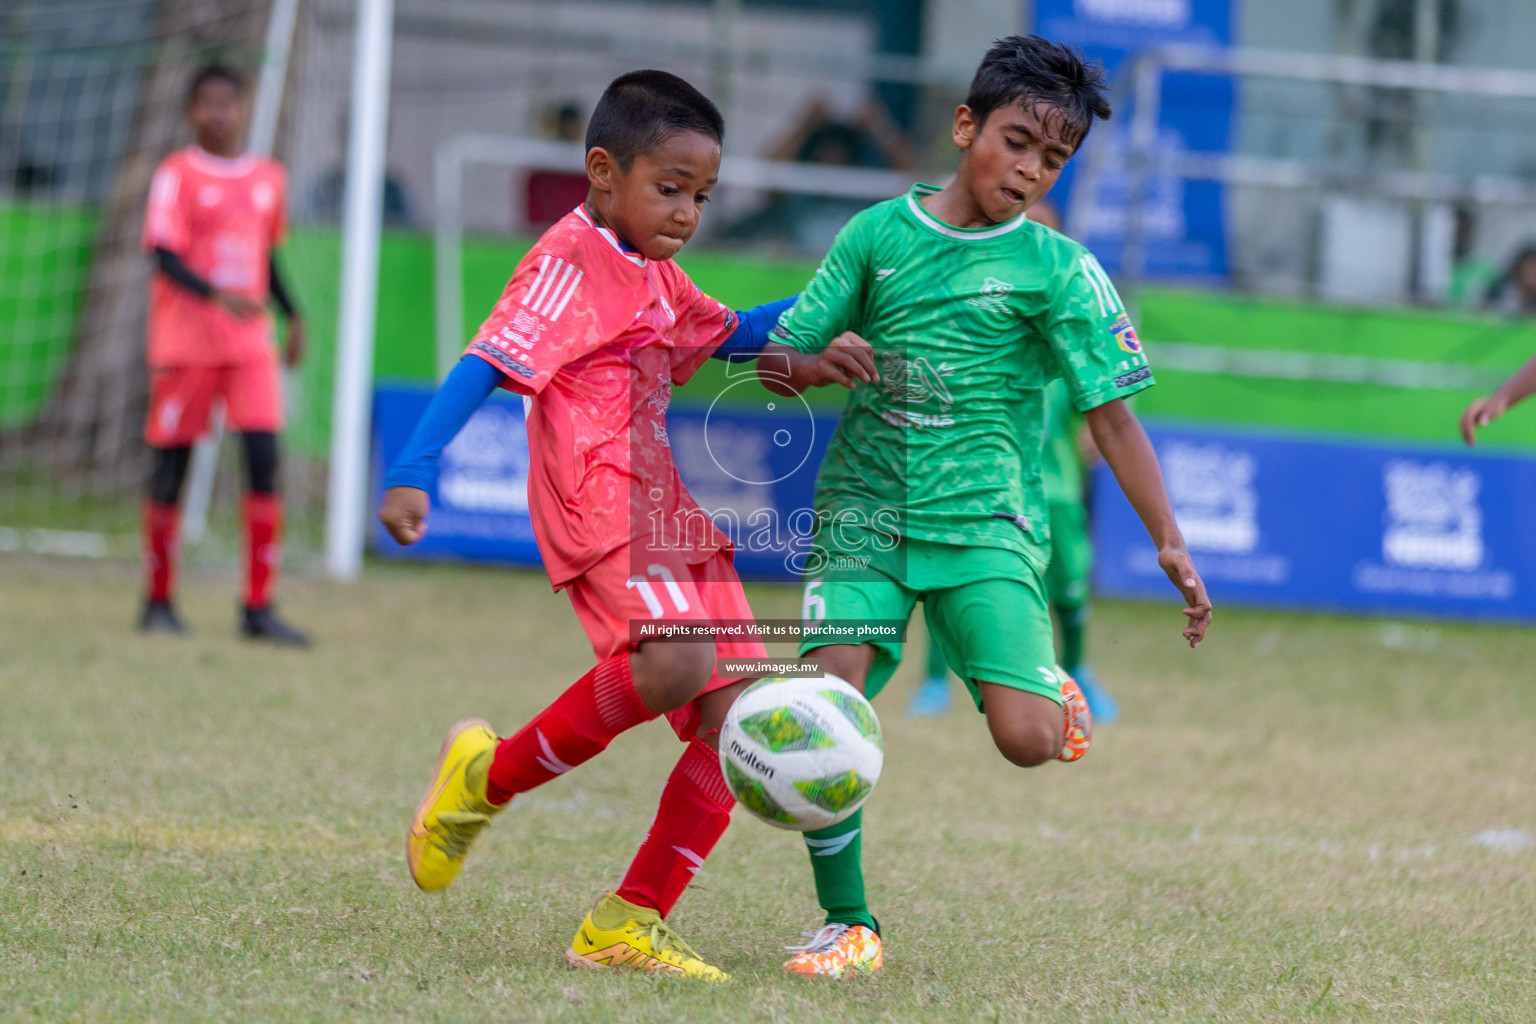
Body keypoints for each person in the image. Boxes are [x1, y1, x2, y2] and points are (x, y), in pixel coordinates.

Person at [756, 35, 1213, 977]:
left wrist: (1169, 540)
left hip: (987, 527)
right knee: (819, 711)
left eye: (1052, 159)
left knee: (1027, 744)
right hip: (864, 514)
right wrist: (811, 363)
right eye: (1016, 142)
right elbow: (779, 361)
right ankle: (851, 925)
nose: (1028, 169)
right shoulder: (876, 235)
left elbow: (1115, 420)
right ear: (966, 127)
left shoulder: (1061, 270)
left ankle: (1047, 688)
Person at [377, 70, 832, 980]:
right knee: (676, 659)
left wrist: (845, 298)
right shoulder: (569, 256)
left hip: (667, 502)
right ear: (601, 173)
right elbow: (484, 360)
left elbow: (734, 331)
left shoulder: (656, 273)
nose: (687, 213)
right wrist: (413, 470)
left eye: (702, 196)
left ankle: (626, 918)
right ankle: (488, 779)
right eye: (670, 189)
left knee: (733, 717)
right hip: (600, 492)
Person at [138, 66, 308, 645]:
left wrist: (294, 314)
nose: (219, 114)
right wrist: (218, 296)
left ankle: (257, 608)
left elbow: (267, 260)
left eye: (228, 103)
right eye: (207, 104)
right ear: (192, 112)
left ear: (243, 108)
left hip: (250, 348)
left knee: (264, 460)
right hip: (187, 346)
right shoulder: (175, 175)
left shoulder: (268, 178)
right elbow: (163, 255)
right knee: (172, 469)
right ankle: (157, 600)